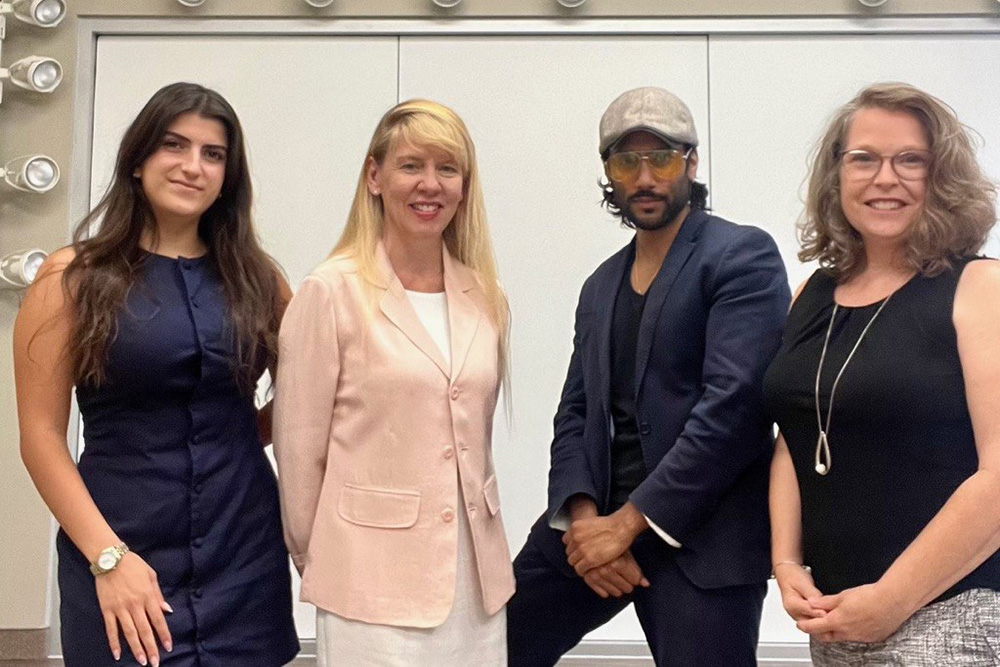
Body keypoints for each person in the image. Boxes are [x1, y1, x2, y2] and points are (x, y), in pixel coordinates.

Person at [13, 82, 299, 667]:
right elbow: (40, 438)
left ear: (228, 174)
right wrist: (108, 558)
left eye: (213, 154)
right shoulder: (70, 277)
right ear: (138, 159)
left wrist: (237, 434)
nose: (193, 166)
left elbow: (308, 396)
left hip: (243, 553)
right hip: (121, 553)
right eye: (174, 145)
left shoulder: (260, 280)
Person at [506, 86, 791, 666]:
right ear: (608, 173)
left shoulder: (741, 256)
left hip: (702, 538)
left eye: (659, 158)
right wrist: (586, 523)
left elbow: (734, 410)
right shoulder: (600, 285)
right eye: (625, 161)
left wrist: (631, 524)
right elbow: (576, 413)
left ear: (690, 162)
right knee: (490, 647)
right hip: (599, 521)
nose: (644, 178)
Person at [764, 82, 1000, 665]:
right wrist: (786, 563)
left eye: (910, 161)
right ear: (837, 174)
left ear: (941, 176)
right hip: (836, 616)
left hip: (952, 615)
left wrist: (894, 598)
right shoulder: (810, 295)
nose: (884, 178)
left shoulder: (980, 289)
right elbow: (797, 436)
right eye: (863, 158)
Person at [273, 98, 514, 665]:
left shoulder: (487, 298)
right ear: (375, 176)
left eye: (447, 168)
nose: (430, 184)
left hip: (475, 581)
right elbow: (299, 445)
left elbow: (469, 434)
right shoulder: (330, 292)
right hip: (368, 578)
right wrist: (320, 555)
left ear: (464, 185)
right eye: (411, 166)